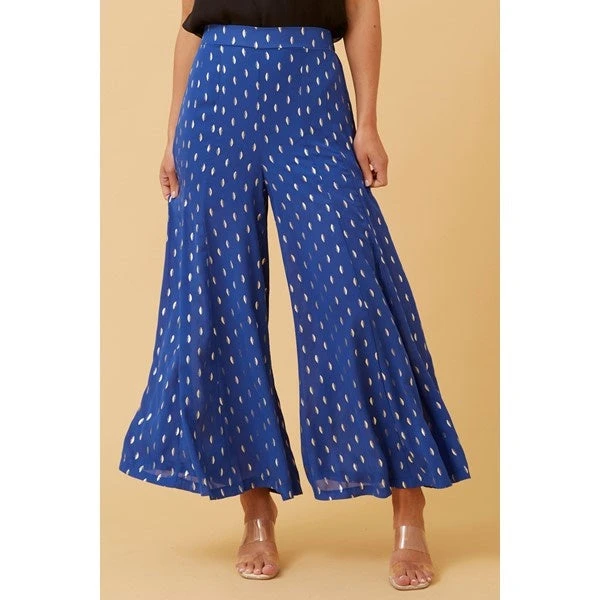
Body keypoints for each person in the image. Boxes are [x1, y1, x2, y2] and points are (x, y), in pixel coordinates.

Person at [118, 0, 471, 591]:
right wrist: (173, 133)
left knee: (354, 300)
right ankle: (256, 510)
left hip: (309, 93)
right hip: (215, 100)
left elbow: (362, 14)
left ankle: (409, 509)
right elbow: (190, 24)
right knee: (218, 306)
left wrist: (367, 121)